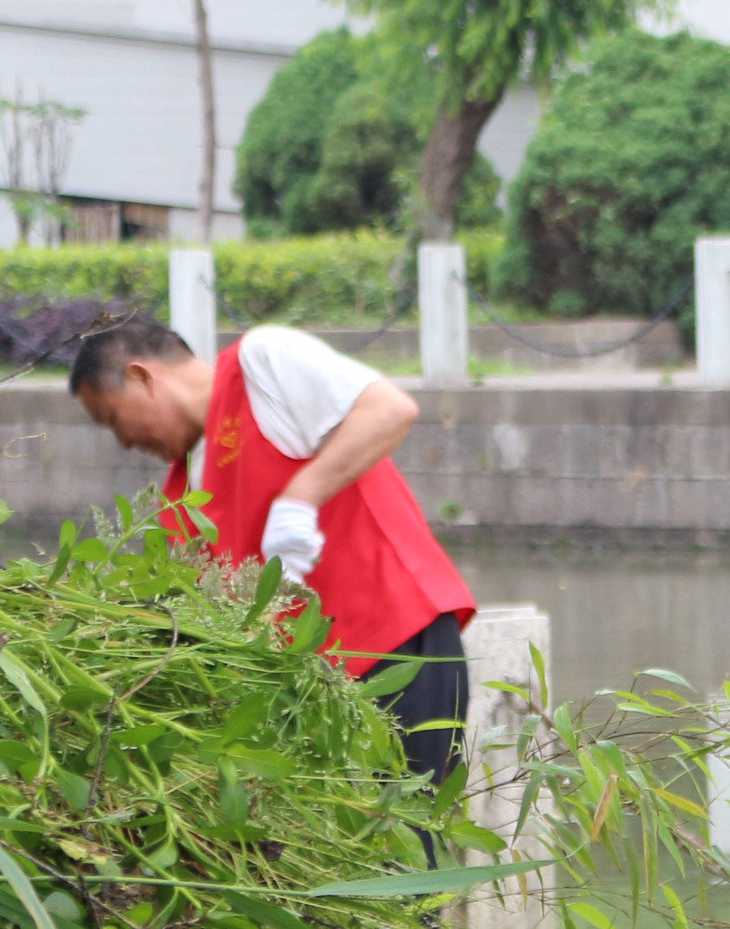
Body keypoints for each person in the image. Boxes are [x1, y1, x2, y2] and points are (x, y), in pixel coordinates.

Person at [68, 318, 477, 778]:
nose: (123, 442)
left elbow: (389, 410)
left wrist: (299, 498)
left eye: (112, 418)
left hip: (397, 648)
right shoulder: (178, 501)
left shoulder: (261, 364)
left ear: (141, 378)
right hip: (311, 700)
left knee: (408, 828)